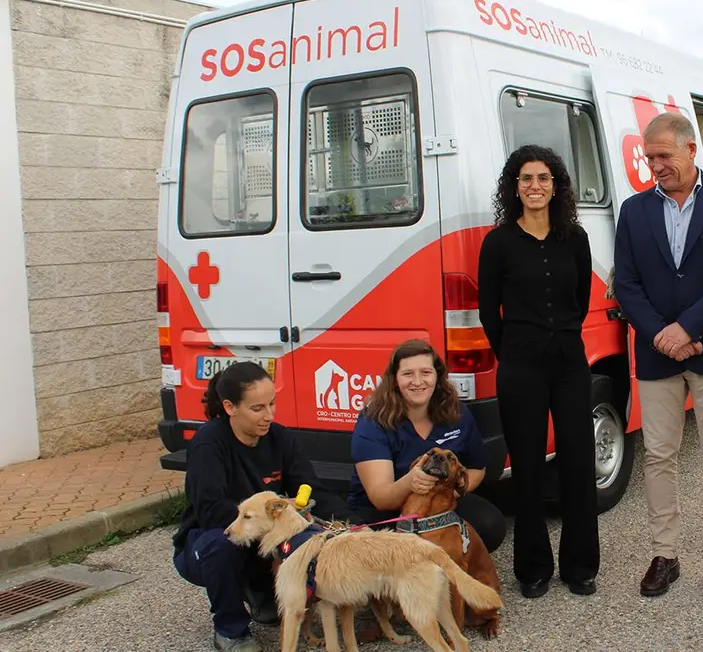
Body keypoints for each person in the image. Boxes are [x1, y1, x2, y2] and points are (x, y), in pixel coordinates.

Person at [612, 111, 703, 600]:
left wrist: (689, 328)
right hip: (657, 354)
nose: (655, 165)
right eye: (649, 157)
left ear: (691, 150)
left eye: (663, 156)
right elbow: (627, 284)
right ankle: (665, 554)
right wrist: (663, 335)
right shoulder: (634, 211)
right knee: (658, 455)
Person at [477, 144, 601, 599]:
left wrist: (557, 338)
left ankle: (581, 566)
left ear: (556, 186)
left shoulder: (576, 238)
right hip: (520, 367)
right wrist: (513, 352)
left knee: (577, 462)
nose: (535, 186)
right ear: (514, 187)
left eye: (543, 178)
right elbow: (489, 311)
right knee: (527, 468)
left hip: (570, 363)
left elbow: (581, 297)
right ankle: (532, 569)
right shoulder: (499, 242)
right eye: (526, 179)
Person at [172, 361, 353, 652]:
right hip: (208, 540)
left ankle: (261, 594)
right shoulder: (209, 443)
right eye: (258, 409)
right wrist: (267, 524)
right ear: (230, 407)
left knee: (310, 535)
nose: (269, 415)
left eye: (272, 404)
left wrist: (349, 523)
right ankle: (230, 630)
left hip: (262, 539)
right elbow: (209, 511)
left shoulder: (280, 437)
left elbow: (311, 488)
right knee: (223, 546)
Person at [347, 339, 507, 555]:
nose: (418, 381)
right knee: (390, 552)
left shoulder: (455, 411)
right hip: (385, 510)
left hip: (439, 502)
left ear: (437, 376)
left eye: (425, 372)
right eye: (408, 374)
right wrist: (410, 482)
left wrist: (453, 493)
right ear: (394, 379)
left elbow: (478, 468)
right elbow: (380, 497)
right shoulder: (374, 421)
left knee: (489, 526)